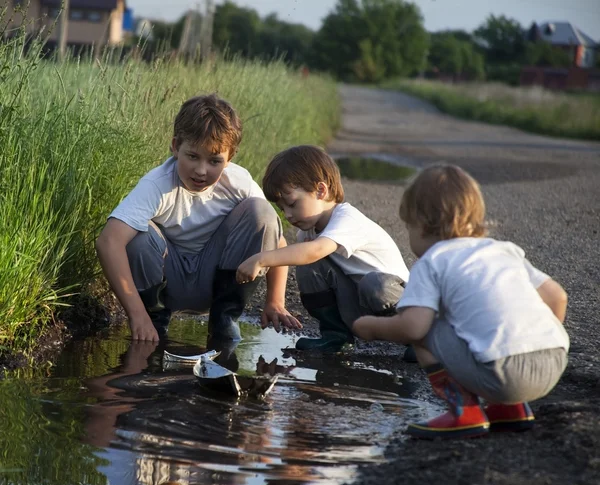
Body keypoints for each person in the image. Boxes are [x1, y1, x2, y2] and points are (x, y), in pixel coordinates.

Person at [352, 164, 569, 439]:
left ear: (422, 224)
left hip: (503, 375)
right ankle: (510, 408)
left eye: (409, 227)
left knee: (429, 326)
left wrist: (371, 327)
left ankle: (463, 411)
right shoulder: (503, 250)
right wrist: (534, 339)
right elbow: (557, 297)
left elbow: (413, 328)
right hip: (553, 363)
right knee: (484, 326)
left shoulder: (432, 261)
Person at [96, 94, 301, 345]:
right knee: (136, 232)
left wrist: (275, 301)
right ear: (175, 146)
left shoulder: (238, 182)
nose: (201, 170)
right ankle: (153, 324)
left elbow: (275, 241)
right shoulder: (157, 184)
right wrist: (135, 314)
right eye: (192, 156)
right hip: (168, 281)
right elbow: (108, 242)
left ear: (230, 157)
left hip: (216, 281)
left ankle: (224, 323)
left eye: (214, 161)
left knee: (262, 213)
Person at [236, 145, 412, 355]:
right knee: (308, 264)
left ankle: (419, 339)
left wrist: (261, 259)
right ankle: (335, 335)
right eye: (283, 209)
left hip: (400, 302)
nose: (288, 215)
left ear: (321, 190)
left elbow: (316, 250)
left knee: (374, 284)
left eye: (292, 203)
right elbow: (308, 255)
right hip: (362, 304)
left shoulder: (347, 219)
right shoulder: (309, 232)